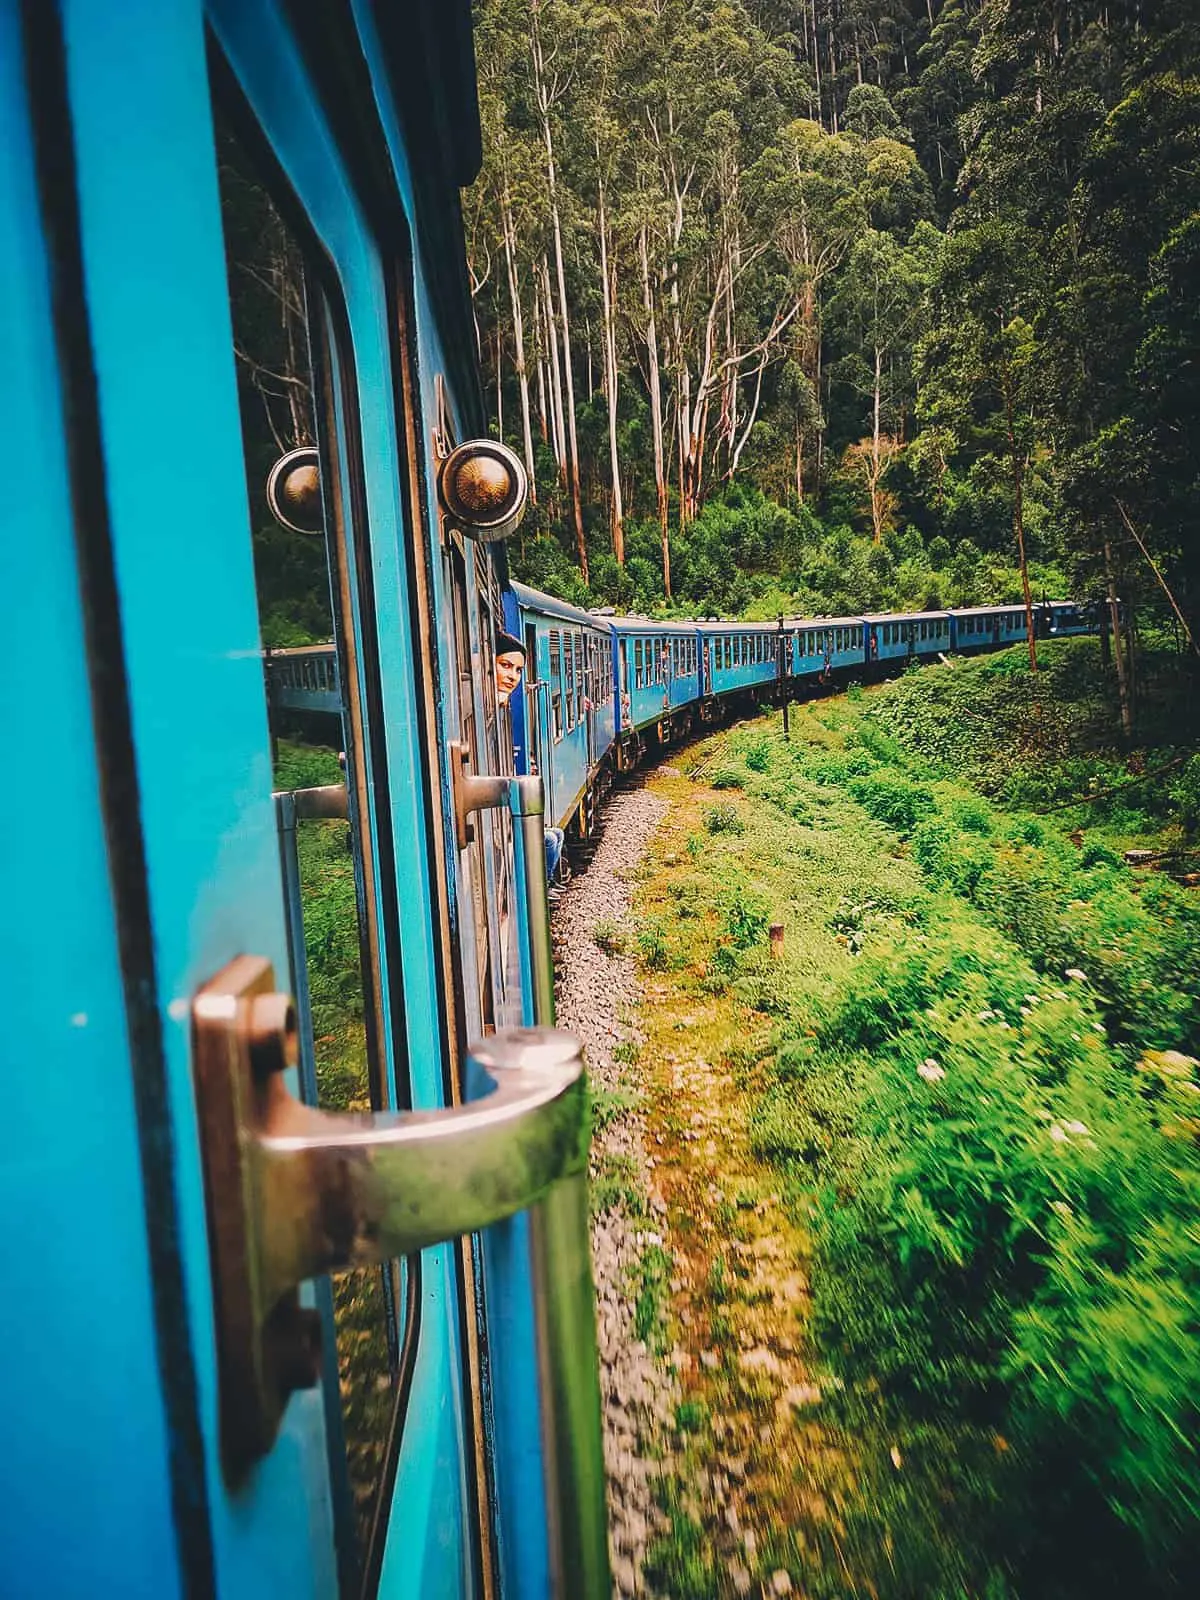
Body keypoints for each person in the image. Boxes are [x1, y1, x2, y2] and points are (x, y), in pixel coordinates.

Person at [493, 630, 566, 893]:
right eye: (505, 666)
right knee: (547, 840)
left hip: (501, 814)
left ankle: (542, 887)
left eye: (519, 670)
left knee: (555, 835)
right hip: (493, 825)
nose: (513, 676)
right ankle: (534, 892)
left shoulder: (501, 702)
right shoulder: (489, 703)